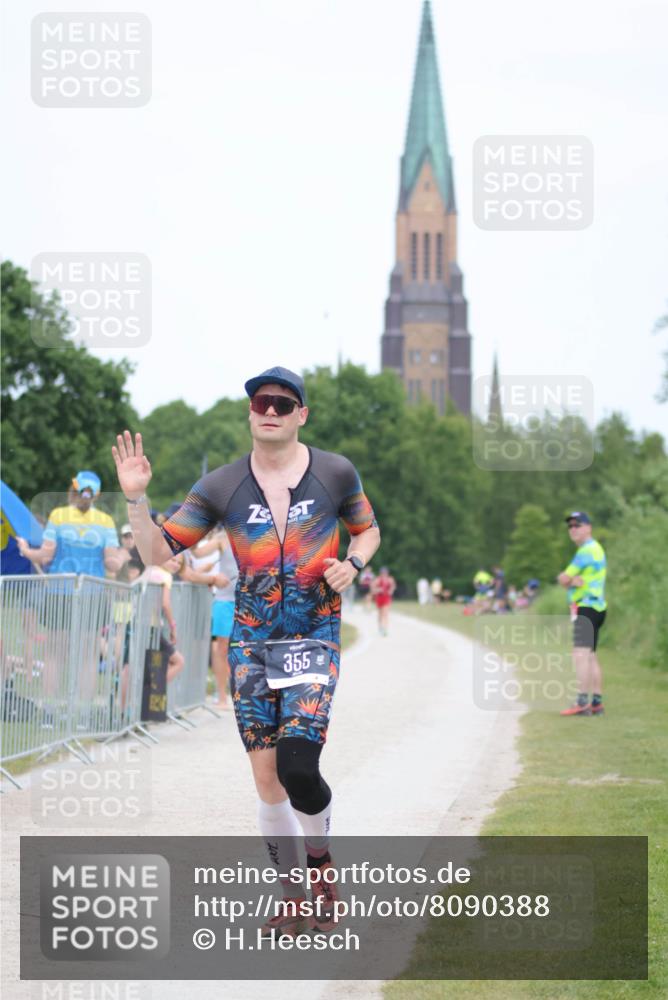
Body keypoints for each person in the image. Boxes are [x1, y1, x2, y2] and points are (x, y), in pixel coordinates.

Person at [112, 365, 380, 935]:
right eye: (262, 402)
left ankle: (321, 865)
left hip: (312, 637)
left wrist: (353, 564)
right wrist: (136, 499)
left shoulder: (335, 472)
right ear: (251, 412)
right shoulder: (221, 486)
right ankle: (292, 897)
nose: (271, 411)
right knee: (266, 779)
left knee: (297, 766)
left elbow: (368, 529)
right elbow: (158, 554)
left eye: (284, 403)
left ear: (302, 414)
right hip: (252, 645)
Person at [16, 471, 129, 706]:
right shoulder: (105, 521)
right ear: (96, 496)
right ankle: (83, 710)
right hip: (92, 594)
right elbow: (111, 565)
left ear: (72, 490)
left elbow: (45, 557)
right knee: (89, 656)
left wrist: (26, 550)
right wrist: (121, 555)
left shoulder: (58, 516)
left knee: (54, 653)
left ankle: (49, 707)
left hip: (59, 592)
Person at [557, 512, 607, 717]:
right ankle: (596, 703)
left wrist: (568, 580)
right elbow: (568, 579)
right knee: (590, 656)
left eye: (577, 525)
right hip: (597, 608)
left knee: (580, 655)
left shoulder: (586, 550)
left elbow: (563, 578)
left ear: (588, 527)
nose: (573, 529)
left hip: (585, 608)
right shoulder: (596, 548)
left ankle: (582, 702)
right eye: (570, 526)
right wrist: (571, 580)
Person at [183, 528, 237, 708]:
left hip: (251, 599)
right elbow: (197, 553)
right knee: (222, 648)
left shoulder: (259, 533)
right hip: (225, 600)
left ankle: (243, 695)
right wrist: (198, 530)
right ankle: (221, 696)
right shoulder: (223, 537)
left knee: (247, 648)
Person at [371, 566, 396, 635]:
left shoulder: (390, 579)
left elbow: (393, 586)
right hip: (379, 598)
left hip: (386, 598)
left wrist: (391, 591)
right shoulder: (378, 580)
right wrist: (378, 590)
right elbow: (373, 589)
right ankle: (380, 627)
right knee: (380, 614)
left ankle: (385, 629)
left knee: (385, 613)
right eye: (383, 573)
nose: (384, 574)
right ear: (380, 573)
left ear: (387, 573)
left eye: (385, 573)